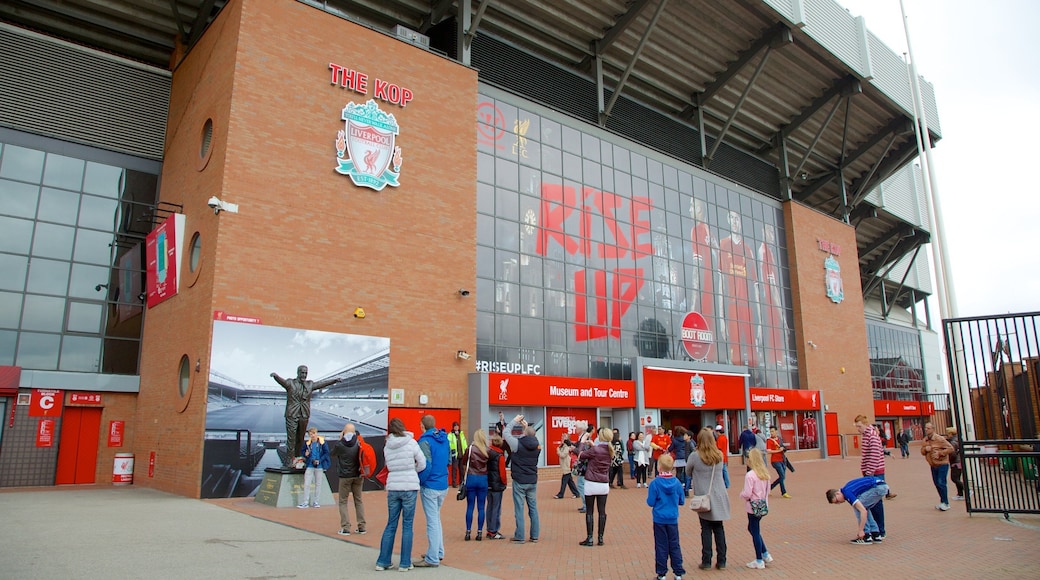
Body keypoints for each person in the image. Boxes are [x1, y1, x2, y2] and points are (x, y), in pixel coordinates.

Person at [375, 417, 426, 571]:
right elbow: (422, 463)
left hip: (393, 485)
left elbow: (388, 465)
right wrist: (412, 471)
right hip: (409, 485)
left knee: (391, 524)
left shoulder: (387, 446)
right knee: (407, 525)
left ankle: (383, 561)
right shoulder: (411, 443)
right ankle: (404, 562)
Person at [270, 365, 338, 467]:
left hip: (304, 414)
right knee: (291, 438)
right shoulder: (290, 383)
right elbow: (282, 382)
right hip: (292, 414)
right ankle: (289, 460)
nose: (304, 375)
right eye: (302, 373)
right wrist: (276, 376)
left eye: (306, 373)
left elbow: (321, 384)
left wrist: (334, 380)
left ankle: (298, 458)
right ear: (298, 373)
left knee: (300, 439)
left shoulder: (309, 384)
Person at [718, 210, 760, 366]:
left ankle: (756, 382)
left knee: (751, 350)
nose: (735, 221)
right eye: (732, 218)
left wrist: (760, 321)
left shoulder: (747, 250)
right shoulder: (723, 244)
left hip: (747, 306)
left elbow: (755, 288)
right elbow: (721, 284)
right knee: (735, 350)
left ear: (741, 222)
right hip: (732, 305)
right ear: (728, 221)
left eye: (737, 218)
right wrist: (721, 318)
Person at [686, 428, 731, 570]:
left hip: (703, 496)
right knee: (719, 528)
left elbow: (688, 472)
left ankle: (706, 561)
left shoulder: (695, 456)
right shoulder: (719, 455)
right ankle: (722, 561)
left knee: (705, 528)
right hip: (718, 494)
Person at [414, 415, 450, 567]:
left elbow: (425, 465)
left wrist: (419, 481)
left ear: (422, 425)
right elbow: (449, 460)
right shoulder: (444, 439)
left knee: (432, 522)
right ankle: (437, 551)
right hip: (443, 483)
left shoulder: (424, 441)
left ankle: (433, 557)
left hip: (430, 485)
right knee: (436, 519)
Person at [647, 453, 685, 580]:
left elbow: (650, 502)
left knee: (661, 545)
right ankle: (678, 572)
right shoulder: (677, 483)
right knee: (674, 545)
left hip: (659, 518)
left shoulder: (655, 483)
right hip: (672, 518)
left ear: (659, 468)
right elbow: (682, 501)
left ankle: (661, 573)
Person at [504, 414, 541, 543]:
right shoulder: (537, 446)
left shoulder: (517, 444)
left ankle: (520, 536)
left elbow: (506, 432)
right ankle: (535, 535)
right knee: (533, 508)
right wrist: (527, 428)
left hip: (519, 480)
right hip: (532, 480)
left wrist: (514, 420)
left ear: (524, 433)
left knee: (519, 509)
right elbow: (532, 437)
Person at [825, 476, 889, 545]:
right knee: (863, 506)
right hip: (881, 486)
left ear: (837, 493)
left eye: (837, 500)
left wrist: (860, 530)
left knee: (858, 507)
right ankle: (875, 534)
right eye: (837, 503)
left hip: (877, 487)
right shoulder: (847, 488)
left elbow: (863, 512)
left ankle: (866, 535)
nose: (839, 503)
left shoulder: (847, 492)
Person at [578, 427, 613, 546]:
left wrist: (582, 442)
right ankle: (601, 538)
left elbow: (581, 455)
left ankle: (590, 538)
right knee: (602, 511)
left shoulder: (596, 450)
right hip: (603, 483)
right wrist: (593, 446)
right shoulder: (610, 450)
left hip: (591, 482)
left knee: (589, 511)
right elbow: (598, 452)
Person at [330, 423, 367, 535]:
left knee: (343, 501)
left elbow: (332, 454)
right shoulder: (359, 442)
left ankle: (346, 527)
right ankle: (362, 526)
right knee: (358, 500)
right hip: (358, 475)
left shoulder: (341, 444)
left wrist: (340, 439)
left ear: (344, 431)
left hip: (345, 476)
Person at [740, 449, 772, 569]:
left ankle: (759, 559)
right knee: (753, 529)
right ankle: (765, 553)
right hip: (763, 505)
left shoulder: (750, 475)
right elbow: (768, 491)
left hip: (753, 506)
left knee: (755, 531)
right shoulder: (765, 474)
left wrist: (741, 494)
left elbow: (747, 493)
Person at [856, 415, 895, 508]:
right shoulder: (867, 435)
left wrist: (869, 473)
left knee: (876, 499)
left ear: (865, 424)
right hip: (872, 470)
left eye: (859, 426)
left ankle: (878, 522)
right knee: (873, 498)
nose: (858, 429)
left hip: (874, 471)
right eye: (856, 426)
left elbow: (874, 455)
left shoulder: (871, 436)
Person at [461, 429, 489, 541]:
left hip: (471, 478)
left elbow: (463, 462)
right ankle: (479, 532)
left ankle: (468, 532)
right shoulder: (487, 450)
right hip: (483, 478)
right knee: (481, 507)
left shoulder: (470, 449)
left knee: (470, 506)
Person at [921, 422, 955, 511]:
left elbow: (951, 448)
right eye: (925, 428)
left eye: (928, 428)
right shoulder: (925, 440)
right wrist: (925, 449)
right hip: (933, 465)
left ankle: (946, 503)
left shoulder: (939, 439)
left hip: (942, 464)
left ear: (933, 429)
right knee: (937, 483)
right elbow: (922, 452)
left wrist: (940, 453)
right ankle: (942, 501)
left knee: (941, 483)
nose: (926, 429)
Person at [298, 427, 330, 508]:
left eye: (314, 433)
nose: (312, 435)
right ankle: (305, 502)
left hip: (319, 466)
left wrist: (320, 460)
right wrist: (306, 454)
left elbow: (326, 453)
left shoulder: (322, 442)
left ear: (316, 433)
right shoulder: (307, 443)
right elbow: (302, 452)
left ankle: (316, 501)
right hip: (310, 465)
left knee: (318, 484)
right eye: (311, 434)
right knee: (307, 483)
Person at [485, 434, 509, 540]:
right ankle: (494, 530)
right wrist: (504, 483)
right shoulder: (500, 455)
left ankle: (489, 529)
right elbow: (502, 472)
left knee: (489, 507)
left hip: (488, 483)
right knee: (496, 508)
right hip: (497, 485)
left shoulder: (487, 453)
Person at [766, 426, 789, 498]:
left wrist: (784, 449)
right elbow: (768, 451)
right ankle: (784, 492)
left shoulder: (780, 439)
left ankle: (769, 488)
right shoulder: (769, 440)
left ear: (776, 431)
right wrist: (778, 450)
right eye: (771, 431)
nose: (771, 433)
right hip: (775, 461)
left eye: (773, 431)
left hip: (782, 460)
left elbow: (783, 447)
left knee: (782, 477)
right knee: (782, 476)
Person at [946, 427, 964, 500]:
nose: (947, 435)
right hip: (959, 461)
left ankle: (966, 490)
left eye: (948, 434)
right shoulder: (957, 440)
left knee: (954, 478)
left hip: (956, 462)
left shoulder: (953, 442)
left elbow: (952, 453)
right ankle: (960, 494)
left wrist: (950, 459)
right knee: (957, 478)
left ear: (951, 433)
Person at [670, 427, 690, 494]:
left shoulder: (674, 440)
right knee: (686, 474)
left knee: (678, 473)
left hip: (678, 457)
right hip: (686, 457)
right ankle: (686, 490)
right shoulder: (686, 439)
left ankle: (678, 488)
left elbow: (671, 448)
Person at [448, 422, 468, 488]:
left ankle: (461, 482)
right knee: (454, 469)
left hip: (461, 454)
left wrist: (466, 451)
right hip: (455, 454)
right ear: (453, 427)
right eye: (455, 426)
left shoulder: (461, 434)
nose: (456, 427)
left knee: (461, 469)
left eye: (457, 426)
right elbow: (449, 444)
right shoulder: (450, 435)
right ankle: (454, 483)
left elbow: (464, 443)